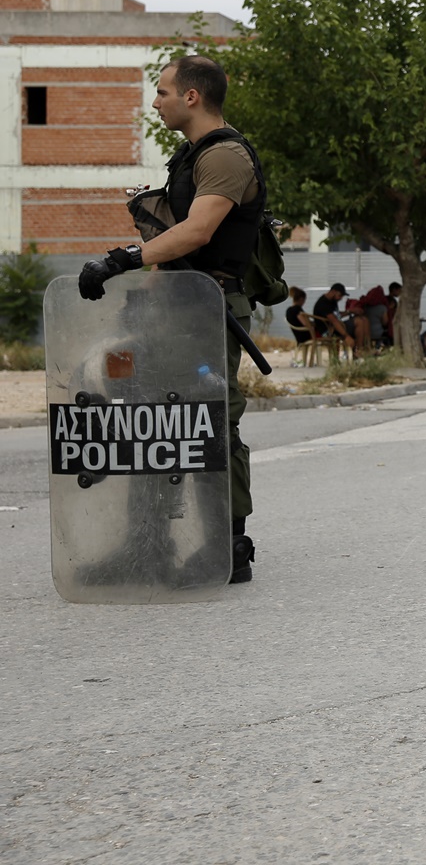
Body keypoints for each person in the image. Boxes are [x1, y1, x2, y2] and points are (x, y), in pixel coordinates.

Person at [76, 55, 270, 584]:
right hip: (176, 308)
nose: (155, 101)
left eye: (162, 92)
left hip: (209, 313)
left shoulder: (226, 155)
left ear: (191, 96)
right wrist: (139, 298)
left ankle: (227, 549)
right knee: (153, 424)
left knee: (211, 427)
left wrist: (122, 260)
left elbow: (199, 233)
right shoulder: (189, 156)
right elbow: (176, 251)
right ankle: (147, 546)